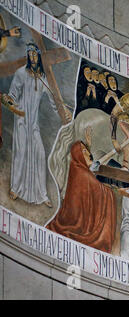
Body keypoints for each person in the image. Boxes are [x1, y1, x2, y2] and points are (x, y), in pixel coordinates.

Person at [4, 43, 71, 207]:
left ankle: (42, 195)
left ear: (39, 57)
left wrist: (65, 112)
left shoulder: (43, 78)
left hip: (33, 123)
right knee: (21, 153)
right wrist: (9, 101)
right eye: (30, 54)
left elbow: (54, 101)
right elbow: (12, 95)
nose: (33, 57)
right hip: (21, 119)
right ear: (28, 56)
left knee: (40, 155)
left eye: (35, 55)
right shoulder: (21, 73)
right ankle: (16, 188)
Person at [46, 141, 117, 253]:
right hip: (78, 224)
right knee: (110, 194)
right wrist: (109, 191)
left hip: (79, 217)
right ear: (78, 154)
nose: (89, 154)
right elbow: (97, 189)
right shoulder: (81, 173)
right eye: (84, 151)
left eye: (88, 151)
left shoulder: (78, 168)